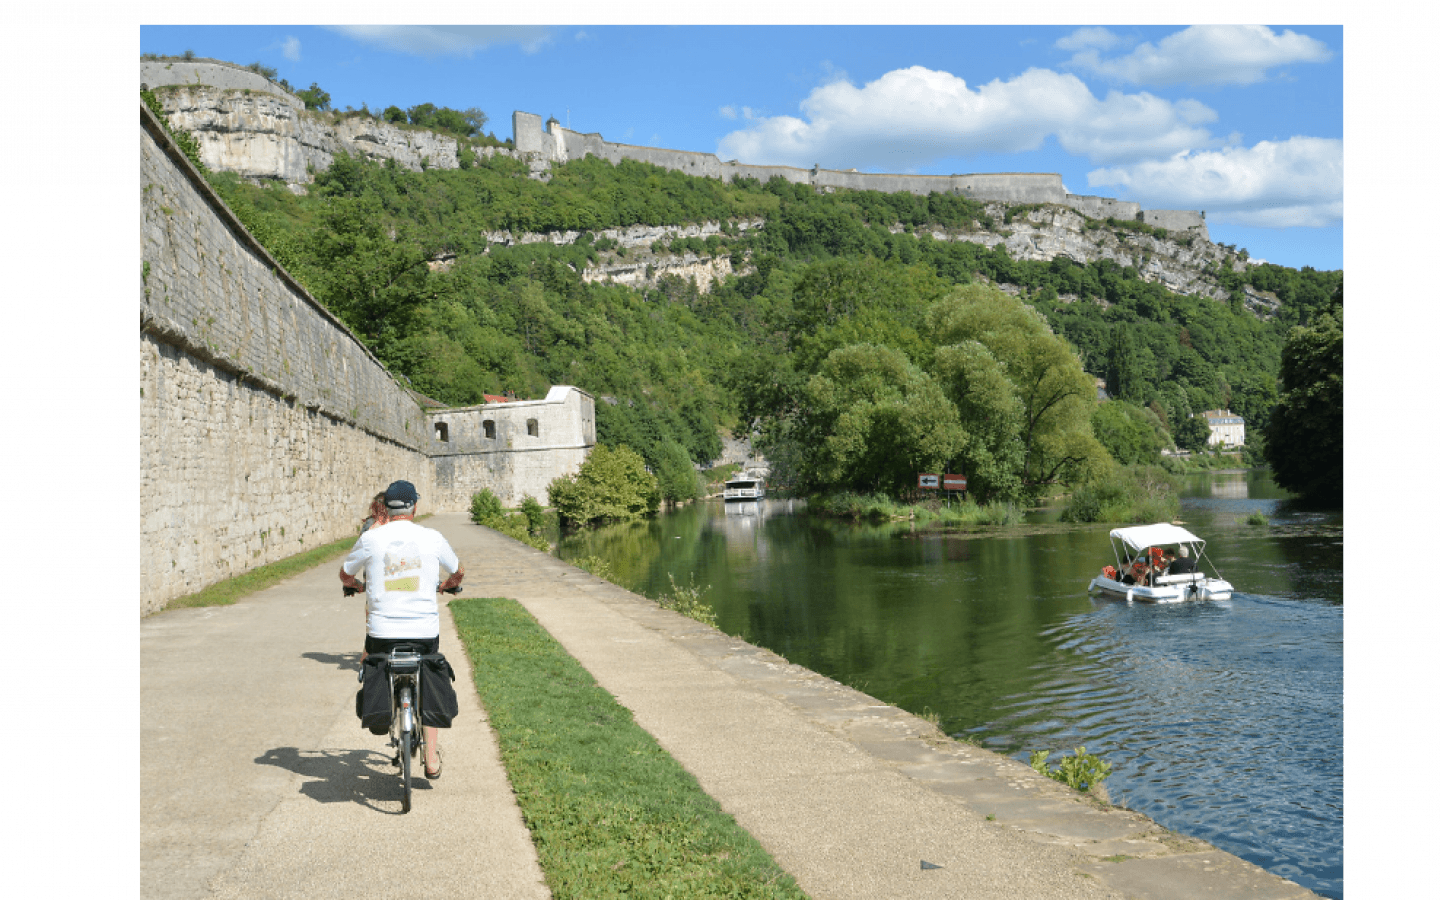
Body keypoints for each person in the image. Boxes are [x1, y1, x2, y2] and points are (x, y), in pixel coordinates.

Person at [340, 479, 463, 780]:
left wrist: (355, 585)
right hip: (423, 632)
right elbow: (458, 572)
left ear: (387, 507)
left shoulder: (371, 538)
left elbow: (345, 574)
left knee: (378, 660)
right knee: (429, 673)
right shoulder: (432, 537)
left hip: (382, 634)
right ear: (414, 506)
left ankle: (383, 711)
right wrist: (447, 585)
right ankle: (431, 760)